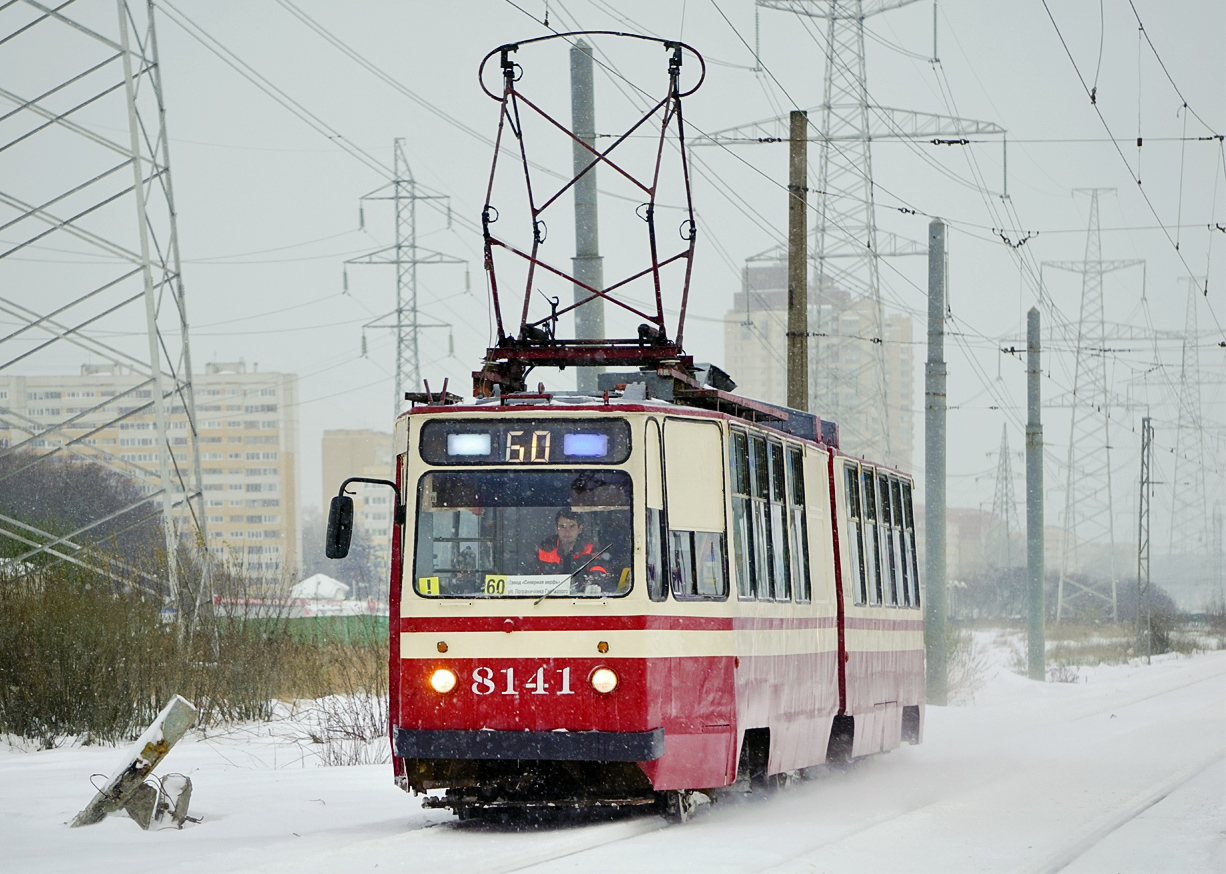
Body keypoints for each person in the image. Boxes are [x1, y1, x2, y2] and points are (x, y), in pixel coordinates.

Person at [536, 508, 608, 578]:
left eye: (571, 526)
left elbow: (599, 572)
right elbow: (532, 578)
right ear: (556, 529)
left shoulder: (590, 548)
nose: (567, 531)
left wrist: (594, 583)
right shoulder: (545, 548)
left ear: (580, 529)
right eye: (562, 526)